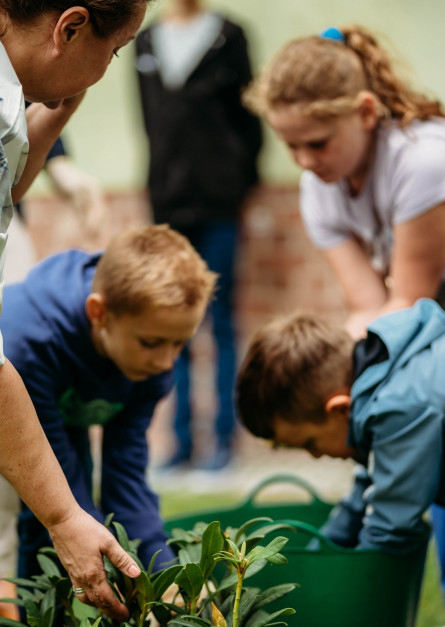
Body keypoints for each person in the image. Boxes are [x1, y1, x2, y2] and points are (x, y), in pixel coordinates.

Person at [244, 24, 445, 627]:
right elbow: (368, 311)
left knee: (439, 460)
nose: (305, 161)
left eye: (317, 142)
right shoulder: (320, 184)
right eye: (290, 147)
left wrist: (360, 403)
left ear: (365, 114)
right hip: (438, 339)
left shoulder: (422, 159)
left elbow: (411, 299)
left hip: (444, 327)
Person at [0, 224, 215, 627]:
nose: (166, 363)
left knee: (106, 510)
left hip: (71, 396)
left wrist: (166, 579)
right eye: (153, 344)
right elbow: (66, 505)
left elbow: (127, 479)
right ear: (99, 314)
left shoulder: (152, 347)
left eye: (179, 345)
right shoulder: (32, 339)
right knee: (50, 524)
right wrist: (74, 521)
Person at [0, 0, 150, 620]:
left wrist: (42, 127)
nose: (107, 68)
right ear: (69, 28)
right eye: (114, 49)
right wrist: (66, 515)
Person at [236, 300, 445, 567]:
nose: (315, 456)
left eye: (310, 443)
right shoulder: (381, 379)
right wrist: (317, 558)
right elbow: (366, 492)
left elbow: (390, 527)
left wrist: (347, 585)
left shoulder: (396, 408)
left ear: (340, 410)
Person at [135, 0, 262, 470]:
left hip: (220, 202)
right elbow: (148, 122)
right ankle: (182, 443)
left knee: (221, 318)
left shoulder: (229, 34)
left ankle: (225, 441)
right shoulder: (145, 40)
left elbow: (249, 121)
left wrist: (238, 182)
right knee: (172, 320)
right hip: (168, 202)